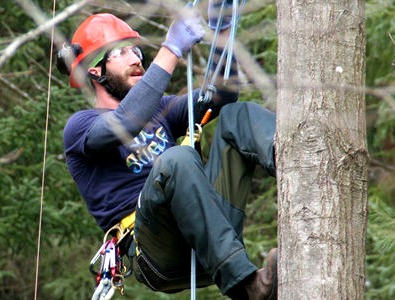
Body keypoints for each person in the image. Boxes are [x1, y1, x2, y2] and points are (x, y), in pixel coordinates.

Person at [60, 3, 277, 299]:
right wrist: (172, 48)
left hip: (208, 231)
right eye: (120, 52)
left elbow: (221, 95)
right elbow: (124, 122)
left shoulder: (161, 110)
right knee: (176, 158)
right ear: (96, 70)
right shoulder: (81, 127)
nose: (135, 59)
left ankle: (298, 163)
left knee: (236, 116)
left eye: (135, 51)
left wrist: (222, 30)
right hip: (157, 253)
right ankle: (247, 287)